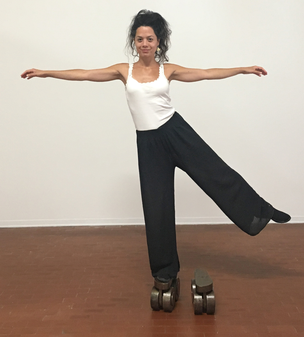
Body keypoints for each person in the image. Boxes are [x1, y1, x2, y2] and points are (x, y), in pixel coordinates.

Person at [21, 9, 290, 309]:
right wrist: (46, 72)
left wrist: (241, 69)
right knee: (156, 205)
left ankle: (260, 211)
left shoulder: (168, 70)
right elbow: (85, 74)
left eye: (150, 39)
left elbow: (203, 73)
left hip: (176, 132)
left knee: (215, 172)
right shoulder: (124, 71)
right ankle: (165, 272)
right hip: (148, 144)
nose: (145, 43)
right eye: (139, 39)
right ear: (133, 42)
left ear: (158, 41)